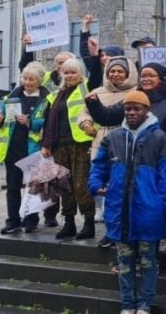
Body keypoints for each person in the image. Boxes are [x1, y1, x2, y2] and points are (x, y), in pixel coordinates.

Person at [88, 91, 166, 314]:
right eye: (128, 109)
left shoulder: (160, 138)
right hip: (119, 209)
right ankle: (128, 304)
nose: (132, 113)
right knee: (124, 262)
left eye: (137, 108)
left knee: (149, 262)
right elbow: (99, 165)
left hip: (149, 211)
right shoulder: (114, 137)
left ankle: (145, 303)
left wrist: (162, 204)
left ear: (147, 110)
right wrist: (95, 183)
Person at [86, 62, 166, 250]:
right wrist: (94, 104)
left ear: (161, 78)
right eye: (143, 75)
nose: (146, 79)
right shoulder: (131, 99)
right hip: (130, 160)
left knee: (161, 205)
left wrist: (160, 153)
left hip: (156, 162)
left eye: (151, 75)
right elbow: (107, 116)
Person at [78, 56, 138, 247]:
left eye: (120, 71)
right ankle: (110, 230)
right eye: (112, 71)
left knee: (121, 189)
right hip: (101, 140)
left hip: (125, 140)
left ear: (128, 74)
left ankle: (122, 231)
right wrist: (85, 123)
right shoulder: (97, 92)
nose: (116, 74)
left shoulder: (135, 91)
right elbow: (84, 111)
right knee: (103, 186)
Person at [39, 58, 96, 240]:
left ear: (81, 73)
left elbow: (96, 72)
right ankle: (69, 222)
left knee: (81, 184)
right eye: (66, 72)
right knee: (65, 186)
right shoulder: (57, 93)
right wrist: (46, 144)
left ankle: (88, 223)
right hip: (59, 145)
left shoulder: (87, 87)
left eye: (74, 72)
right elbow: (49, 121)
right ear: (61, 74)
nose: (70, 76)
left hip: (81, 143)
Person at [0, 62, 50, 234]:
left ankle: (31, 219)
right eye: (25, 78)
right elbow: (1, 119)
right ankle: (13, 221)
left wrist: (30, 122)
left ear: (39, 80)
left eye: (31, 79)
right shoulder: (12, 95)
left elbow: (48, 123)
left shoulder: (47, 99)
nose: (27, 82)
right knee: (12, 187)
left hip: (33, 149)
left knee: (33, 187)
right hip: (13, 148)